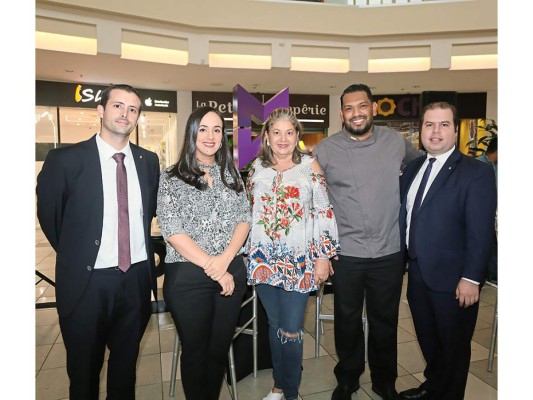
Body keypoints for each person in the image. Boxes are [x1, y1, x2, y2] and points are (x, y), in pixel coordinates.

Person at [36, 84, 160, 399]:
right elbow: (51, 218)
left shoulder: (148, 161)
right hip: (86, 284)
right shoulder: (65, 160)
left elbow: (149, 214)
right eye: (118, 106)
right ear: (100, 110)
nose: (125, 114)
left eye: (133, 109)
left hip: (134, 281)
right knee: (83, 375)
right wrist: (77, 254)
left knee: (125, 371)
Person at [313, 84, 421, 400]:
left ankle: (384, 382)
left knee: (385, 321)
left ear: (373, 108)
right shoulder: (325, 149)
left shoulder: (396, 142)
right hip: (345, 253)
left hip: (389, 251)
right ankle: (347, 379)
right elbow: (312, 197)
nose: (356, 113)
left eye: (362, 106)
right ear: (341, 113)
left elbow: (418, 172)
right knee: (346, 321)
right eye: (349, 108)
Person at [398, 102, 497, 400]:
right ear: (421, 130)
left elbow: (481, 231)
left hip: (455, 281)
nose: (436, 131)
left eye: (443, 125)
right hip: (417, 274)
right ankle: (432, 387)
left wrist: (471, 278)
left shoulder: (475, 173)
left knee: (453, 348)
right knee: (429, 341)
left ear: (455, 130)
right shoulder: (413, 167)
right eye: (429, 125)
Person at [156, 106, 251, 400]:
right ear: (192, 132)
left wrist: (223, 265)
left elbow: (244, 219)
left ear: (223, 137)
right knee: (195, 351)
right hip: (187, 276)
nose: (210, 136)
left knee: (218, 349)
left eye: (217, 130)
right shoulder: (172, 177)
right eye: (204, 129)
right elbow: (172, 230)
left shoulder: (231, 173)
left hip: (231, 273)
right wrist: (214, 267)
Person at [246, 108, 340, 400]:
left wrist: (323, 256)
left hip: (299, 262)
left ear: (298, 136)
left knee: (291, 330)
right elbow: (248, 213)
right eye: (277, 132)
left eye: (289, 132)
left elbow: (324, 212)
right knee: (275, 325)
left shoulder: (310, 167)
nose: (283, 139)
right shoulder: (256, 169)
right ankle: (278, 385)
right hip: (263, 261)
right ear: (267, 136)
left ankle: (291, 392)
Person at [476, 136, 498, 284]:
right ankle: (488, 274)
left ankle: (492, 273)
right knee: (485, 244)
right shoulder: (478, 166)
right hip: (480, 214)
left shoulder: (496, 165)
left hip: (494, 213)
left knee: (493, 244)